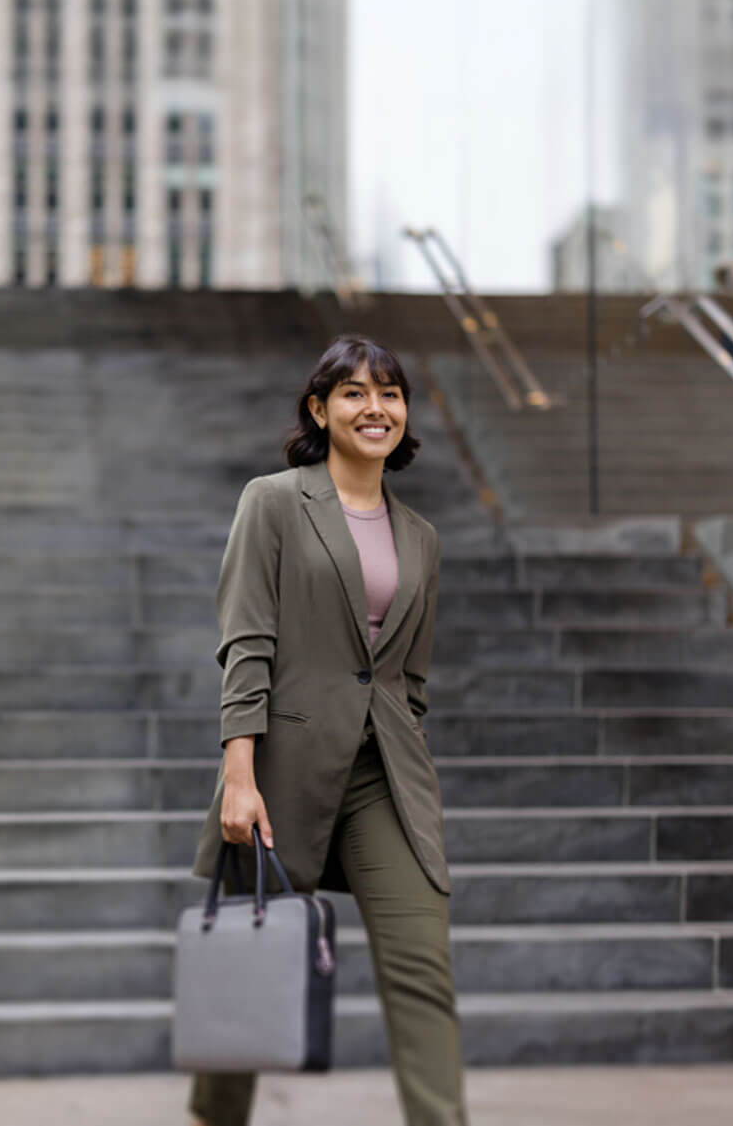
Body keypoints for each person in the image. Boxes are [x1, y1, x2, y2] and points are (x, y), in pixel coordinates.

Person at [187, 335, 465, 1126]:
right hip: (284, 766)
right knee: (246, 968)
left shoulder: (421, 537)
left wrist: (408, 749)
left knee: (423, 965)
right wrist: (239, 774)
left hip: (386, 776)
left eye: (390, 393)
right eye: (354, 392)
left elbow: (409, 679)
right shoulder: (274, 501)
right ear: (319, 408)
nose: (375, 407)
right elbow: (247, 642)